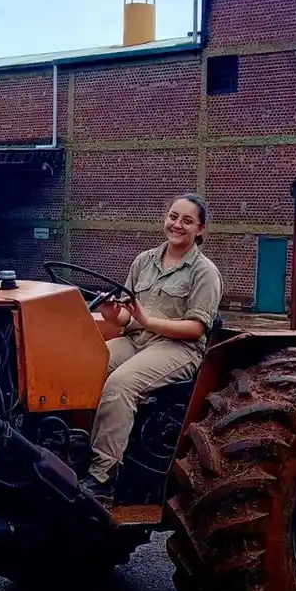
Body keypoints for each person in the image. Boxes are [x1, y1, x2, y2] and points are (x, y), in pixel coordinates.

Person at [83, 194, 222, 500]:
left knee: (120, 385)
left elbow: (196, 328)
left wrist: (146, 321)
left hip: (178, 348)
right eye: (173, 216)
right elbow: (126, 314)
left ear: (200, 229)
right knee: (83, 369)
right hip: (136, 340)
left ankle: (103, 476)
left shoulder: (204, 271)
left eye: (187, 220)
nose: (177, 224)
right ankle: (71, 451)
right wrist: (111, 313)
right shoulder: (144, 261)